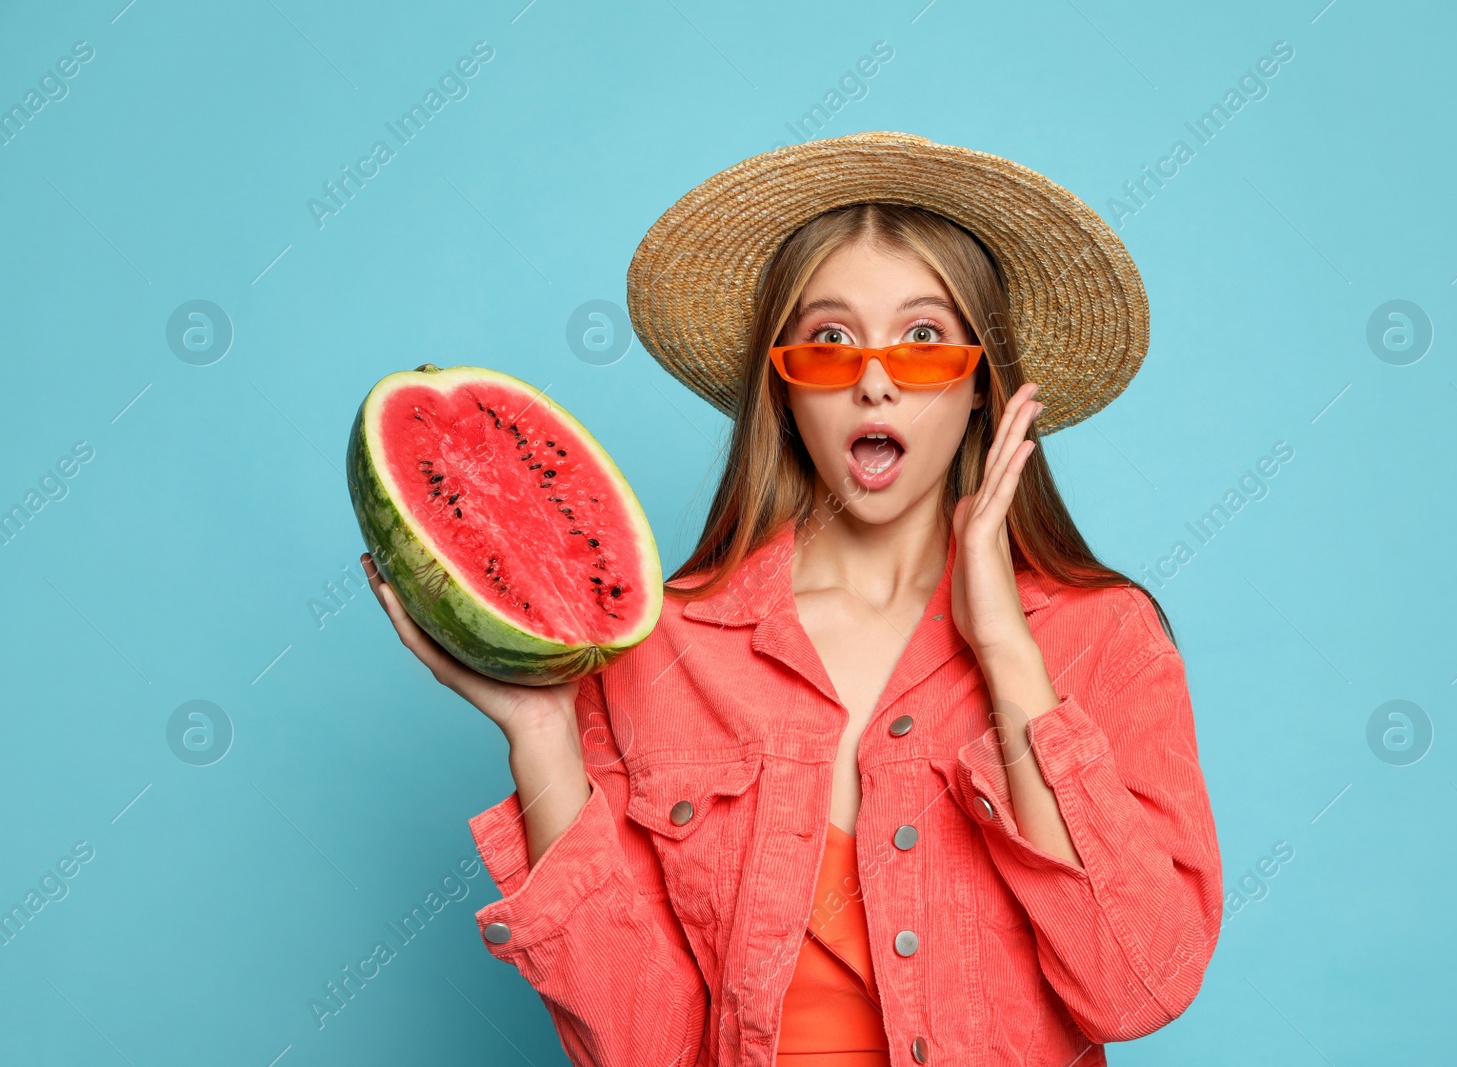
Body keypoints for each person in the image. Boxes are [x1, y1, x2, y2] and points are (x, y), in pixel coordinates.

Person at [361, 131, 1222, 1066]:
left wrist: (1009, 649)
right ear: (784, 383)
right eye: (830, 341)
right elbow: (643, 1043)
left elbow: (1137, 984)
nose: (876, 378)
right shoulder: (663, 646)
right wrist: (542, 735)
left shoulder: (1104, 635)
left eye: (925, 338)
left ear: (982, 384)